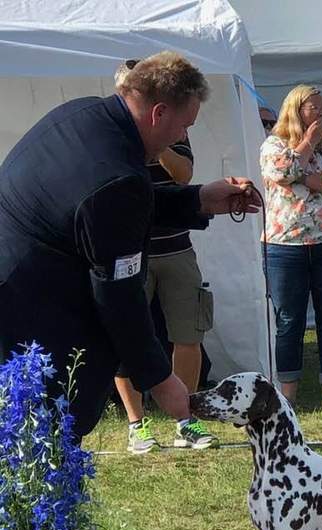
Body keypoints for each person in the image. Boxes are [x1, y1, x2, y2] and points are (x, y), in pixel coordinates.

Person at [0, 51, 260, 530]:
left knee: (27, 485)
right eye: (182, 126)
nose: (181, 138)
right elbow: (119, 294)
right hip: (37, 341)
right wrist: (160, 379)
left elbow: (123, 204)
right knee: (43, 487)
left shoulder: (84, 118)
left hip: (17, 311)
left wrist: (199, 199)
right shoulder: (113, 175)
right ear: (158, 110)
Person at [112, 60, 218, 453]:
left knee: (188, 334)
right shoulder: (113, 133)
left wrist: (156, 145)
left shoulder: (172, 126)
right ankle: (136, 424)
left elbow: (184, 175)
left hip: (176, 249)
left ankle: (185, 420)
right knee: (124, 335)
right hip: (130, 250)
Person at [260, 85, 322, 410]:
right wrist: (308, 146)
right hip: (286, 245)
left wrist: (302, 176)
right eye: (313, 107)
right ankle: (288, 394)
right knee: (289, 319)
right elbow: (281, 170)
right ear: (296, 110)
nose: (321, 112)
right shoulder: (273, 145)